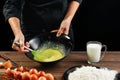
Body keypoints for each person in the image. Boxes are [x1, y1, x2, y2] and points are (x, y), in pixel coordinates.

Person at [3, 0, 82, 52]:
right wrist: (17, 32)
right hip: (32, 36)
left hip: (61, 30)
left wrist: (67, 19)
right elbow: (11, 5)